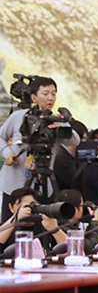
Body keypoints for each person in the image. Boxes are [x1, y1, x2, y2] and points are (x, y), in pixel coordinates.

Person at [0, 77, 78, 219]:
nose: (50, 98)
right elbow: (1, 137)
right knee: (10, 224)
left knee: (44, 223)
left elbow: (75, 140)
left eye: (53, 93)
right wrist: (7, 154)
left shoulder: (57, 120)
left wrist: (62, 127)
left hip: (44, 184)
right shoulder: (19, 117)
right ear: (34, 97)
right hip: (14, 185)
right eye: (45, 93)